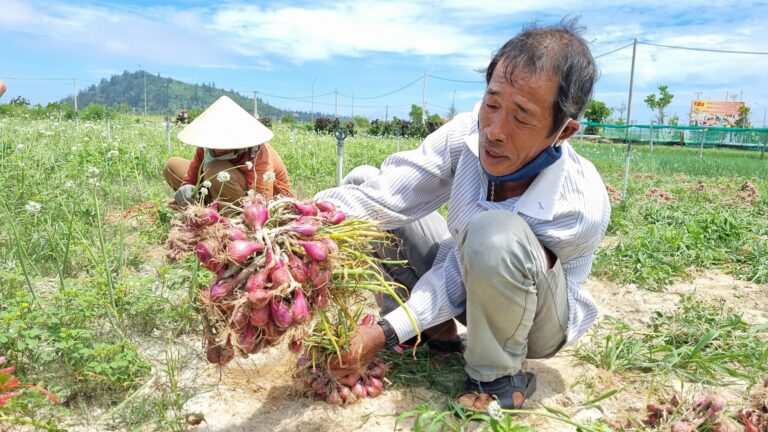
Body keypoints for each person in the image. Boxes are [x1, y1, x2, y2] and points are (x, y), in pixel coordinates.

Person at [315, 18, 610, 411]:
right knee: (364, 181)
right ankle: (432, 332)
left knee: (494, 235)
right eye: (492, 104)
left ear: (563, 131)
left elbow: (460, 270)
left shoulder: (576, 206)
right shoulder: (466, 133)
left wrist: (382, 333)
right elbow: (391, 192)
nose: (495, 131)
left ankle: (497, 377)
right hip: (474, 268)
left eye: (521, 117)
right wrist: (298, 225)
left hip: (536, 321)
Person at [163, 96, 292, 205]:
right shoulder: (206, 146)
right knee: (172, 165)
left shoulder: (258, 151)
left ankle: (228, 214)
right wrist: (187, 188)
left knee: (215, 168)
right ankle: (208, 206)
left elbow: (263, 198)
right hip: (216, 188)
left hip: (251, 200)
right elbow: (192, 176)